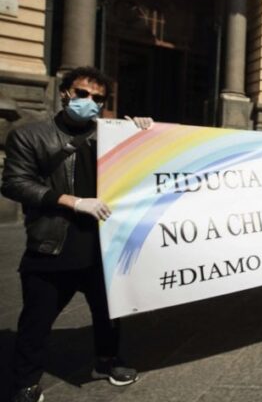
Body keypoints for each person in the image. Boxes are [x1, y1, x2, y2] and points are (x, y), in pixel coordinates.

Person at [2, 67, 152, 402]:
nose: (89, 102)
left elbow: (144, 168)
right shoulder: (31, 135)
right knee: (36, 321)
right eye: (82, 94)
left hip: (104, 244)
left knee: (110, 312)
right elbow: (14, 182)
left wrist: (142, 133)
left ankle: (107, 361)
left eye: (98, 98)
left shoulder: (112, 134)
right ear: (64, 92)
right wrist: (72, 201)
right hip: (53, 244)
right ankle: (26, 381)